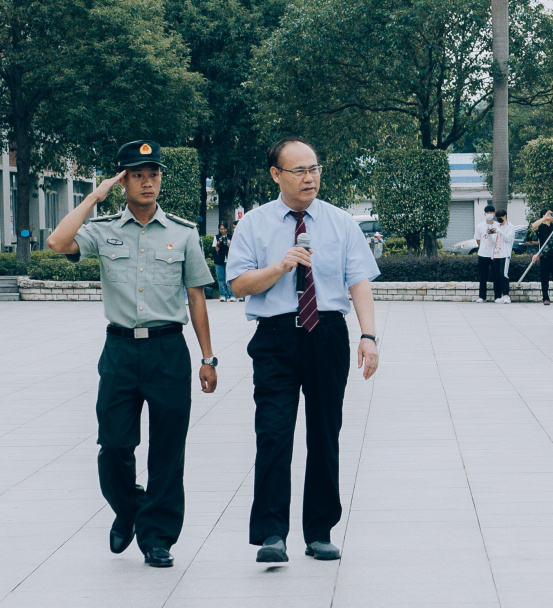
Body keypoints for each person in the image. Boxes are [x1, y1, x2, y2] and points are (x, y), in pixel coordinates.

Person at [45, 140, 217, 568]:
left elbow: (196, 297)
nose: (147, 182)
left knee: (168, 449)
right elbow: (56, 242)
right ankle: (129, 508)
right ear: (123, 181)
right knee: (113, 446)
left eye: (153, 174)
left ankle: (157, 538)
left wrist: (208, 358)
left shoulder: (183, 233)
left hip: (168, 350)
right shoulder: (103, 229)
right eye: (137, 175)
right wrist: (94, 196)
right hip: (120, 350)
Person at [227, 137, 380, 563]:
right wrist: (280, 266)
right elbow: (237, 284)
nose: (309, 177)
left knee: (325, 434)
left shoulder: (340, 222)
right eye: (299, 171)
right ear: (276, 175)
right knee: (273, 434)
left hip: (326, 334)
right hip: (275, 337)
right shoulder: (254, 224)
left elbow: (358, 282)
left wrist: (368, 336)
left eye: (314, 169)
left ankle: (319, 532)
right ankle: (272, 534)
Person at [531, 209, 553, 305]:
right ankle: (545, 298)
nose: (551, 215)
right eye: (549, 214)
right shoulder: (541, 227)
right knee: (545, 278)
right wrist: (544, 218)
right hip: (544, 255)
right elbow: (533, 226)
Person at [474, 204, 499, 302]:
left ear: (494, 214)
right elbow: (478, 240)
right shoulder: (480, 226)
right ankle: (482, 297)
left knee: (496, 275)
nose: (489, 214)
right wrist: (483, 248)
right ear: (484, 214)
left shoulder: (497, 225)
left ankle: (498, 296)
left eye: (491, 212)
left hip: (495, 254)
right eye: (487, 212)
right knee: (483, 276)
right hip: (483, 254)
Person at [492, 208, 514, 303]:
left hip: (505, 254)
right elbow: (493, 241)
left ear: (505, 216)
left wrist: (499, 231)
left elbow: (508, 239)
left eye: (500, 217)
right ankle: (499, 295)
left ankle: (506, 295)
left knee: (503, 274)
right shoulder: (496, 226)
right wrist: (490, 234)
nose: (498, 219)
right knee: (497, 275)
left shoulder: (510, 226)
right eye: (497, 217)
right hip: (496, 254)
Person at [212, 223, 235, 301]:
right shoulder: (216, 237)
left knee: (230, 278)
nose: (223, 231)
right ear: (219, 229)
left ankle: (232, 295)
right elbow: (216, 250)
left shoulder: (231, 237)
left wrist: (228, 244)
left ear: (227, 229)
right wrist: (219, 243)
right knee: (220, 278)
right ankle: (223, 295)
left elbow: (234, 249)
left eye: (224, 229)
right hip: (219, 260)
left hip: (229, 259)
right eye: (221, 229)